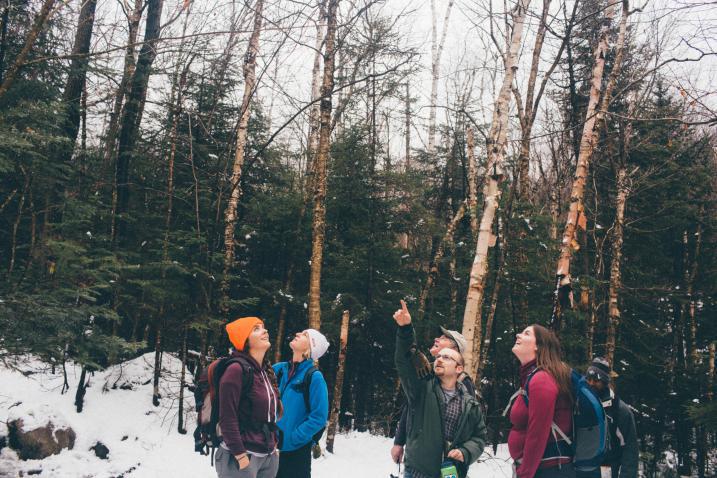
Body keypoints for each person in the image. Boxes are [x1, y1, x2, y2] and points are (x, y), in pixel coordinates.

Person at [393, 300, 487, 478]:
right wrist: (405, 329)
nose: (440, 359)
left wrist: (465, 452)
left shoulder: (468, 399)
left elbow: (478, 436)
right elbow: (403, 365)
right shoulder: (423, 384)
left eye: (447, 356)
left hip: (449, 473)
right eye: (439, 357)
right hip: (418, 471)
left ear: (459, 366)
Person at [391, 327, 477, 465]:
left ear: (455, 350)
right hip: (416, 464)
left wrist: (462, 453)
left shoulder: (463, 384)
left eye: (444, 339)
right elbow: (412, 407)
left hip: (445, 466)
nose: (437, 339)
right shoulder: (427, 372)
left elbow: (472, 430)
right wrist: (399, 442)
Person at [216, 317, 282, 478]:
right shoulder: (235, 370)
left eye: (263, 327)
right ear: (244, 340)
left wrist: (274, 445)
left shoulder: (264, 371)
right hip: (241, 457)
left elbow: (273, 414)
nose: (265, 330)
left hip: (267, 455)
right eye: (256, 329)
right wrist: (240, 455)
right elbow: (227, 417)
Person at [507, 324, 575, 478]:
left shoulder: (542, 379)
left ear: (538, 346)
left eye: (526, 333)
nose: (518, 334)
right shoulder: (533, 376)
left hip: (548, 470)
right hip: (543, 469)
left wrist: (525, 473)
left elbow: (538, 433)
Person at [274, 329, 330, 478]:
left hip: (296, 453)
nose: (298, 333)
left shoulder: (314, 377)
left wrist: (294, 437)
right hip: (270, 449)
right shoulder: (278, 370)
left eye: (305, 335)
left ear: (310, 348)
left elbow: (319, 417)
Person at [579, 357, 638, 478]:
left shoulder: (619, 410)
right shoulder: (579, 403)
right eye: (589, 379)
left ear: (605, 382)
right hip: (581, 468)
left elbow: (630, 449)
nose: (591, 383)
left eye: (596, 380)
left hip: (607, 469)